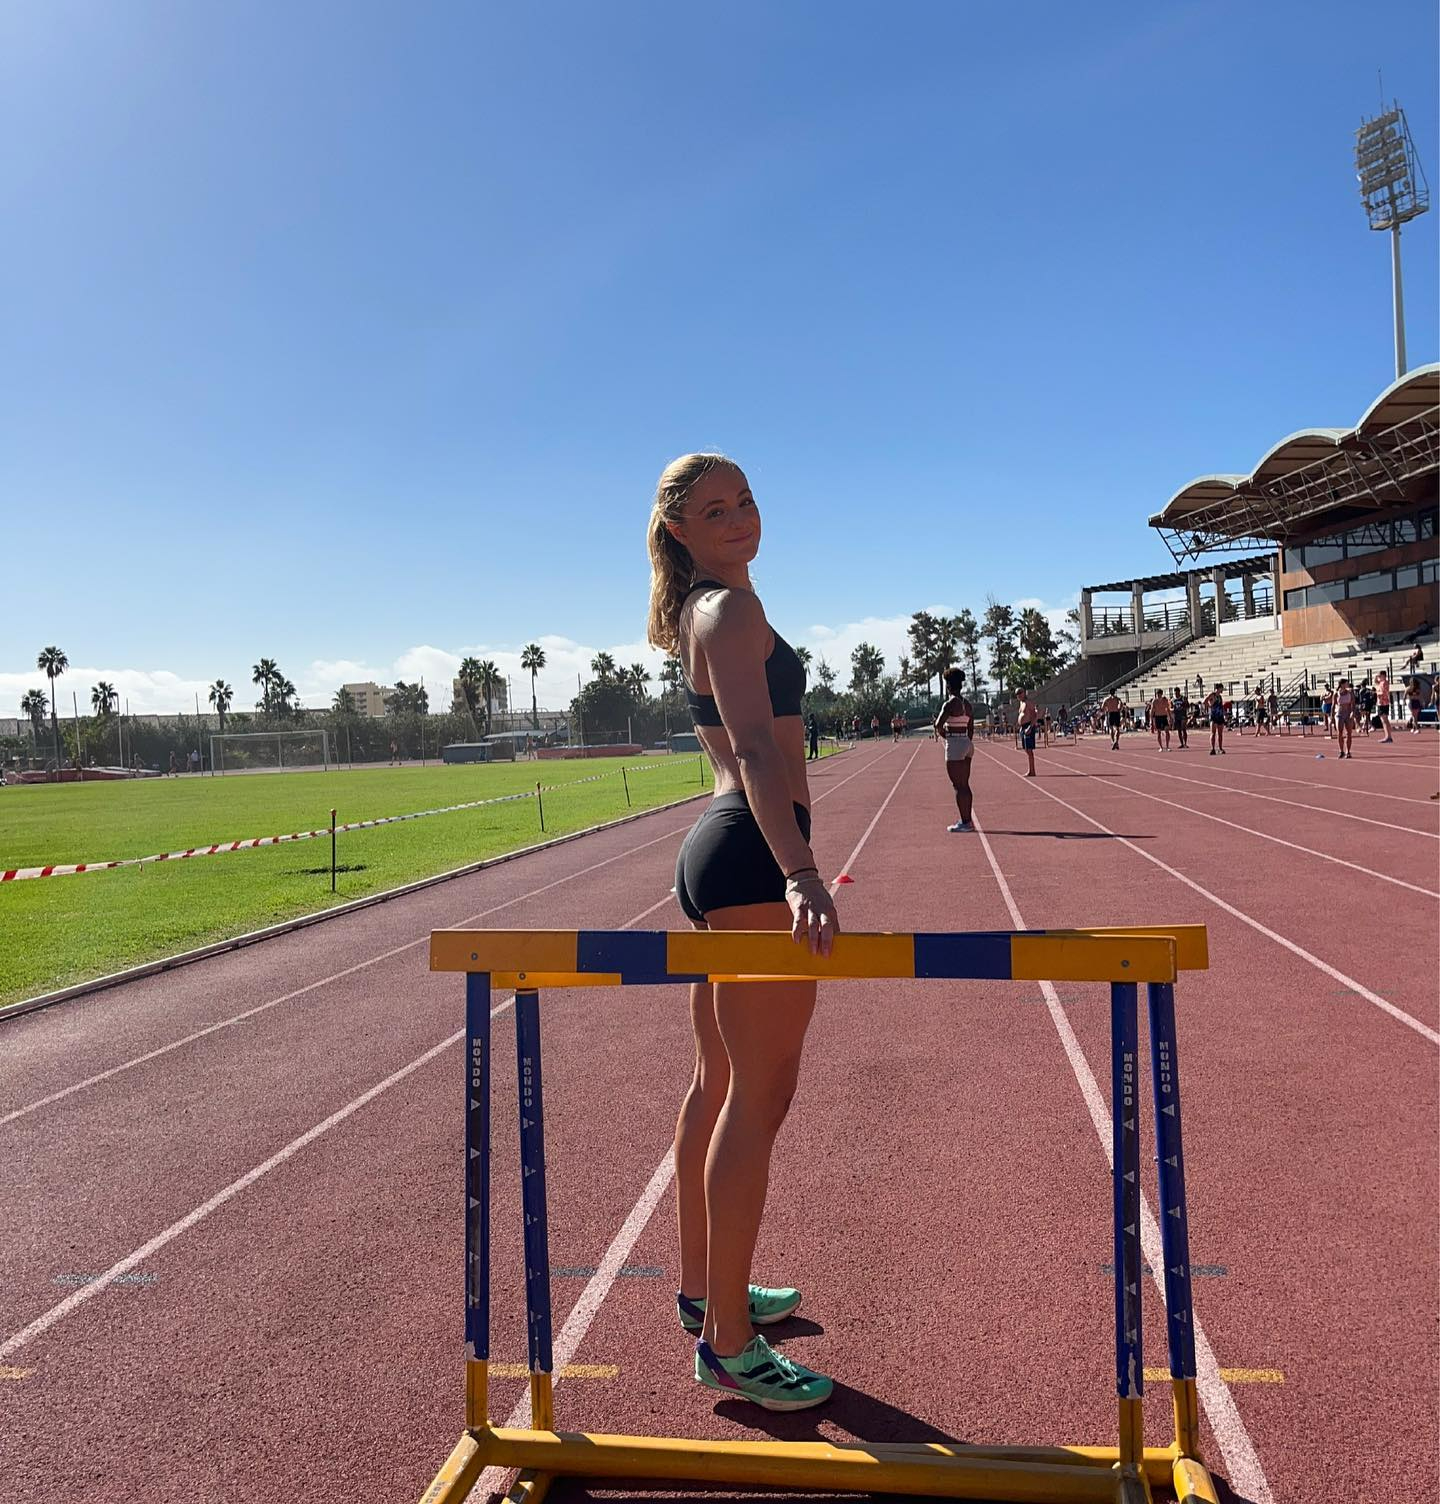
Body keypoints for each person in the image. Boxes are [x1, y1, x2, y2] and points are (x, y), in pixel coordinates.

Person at [648, 451, 836, 1411]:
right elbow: (759, 747)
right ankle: (726, 1339)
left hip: (718, 853)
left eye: (748, 500)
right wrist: (801, 870)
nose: (739, 518)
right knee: (756, 1098)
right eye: (715, 509)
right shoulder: (730, 611)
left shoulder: (701, 613)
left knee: (717, 1084)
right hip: (755, 862)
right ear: (680, 530)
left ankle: (703, 1293)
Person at [933, 667, 976, 832]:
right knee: (965, 784)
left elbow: (938, 725)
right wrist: (965, 741)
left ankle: (965, 822)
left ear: (948, 686)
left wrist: (948, 737)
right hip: (967, 744)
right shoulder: (968, 704)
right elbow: (971, 729)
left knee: (958, 785)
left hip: (956, 744)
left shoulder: (950, 703)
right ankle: (967, 820)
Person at [1015, 687, 1040, 776]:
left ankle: (1032, 771)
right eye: (1017, 694)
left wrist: (1030, 727)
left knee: (1029, 750)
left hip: (1028, 726)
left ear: (1024, 693)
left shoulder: (1028, 703)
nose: (1019, 695)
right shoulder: (1021, 703)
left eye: (1020, 693)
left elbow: (1035, 715)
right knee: (1026, 749)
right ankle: (1030, 770)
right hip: (1023, 727)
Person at [1334, 678, 1357, 758]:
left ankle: (1348, 751)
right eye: (1346, 683)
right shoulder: (1336, 693)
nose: (1347, 684)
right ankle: (1341, 751)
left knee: (1349, 733)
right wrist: (1331, 716)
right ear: (1342, 684)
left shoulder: (1350, 692)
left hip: (1348, 713)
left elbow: (1353, 704)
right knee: (1339, 733)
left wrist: (1353, 712)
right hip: (1339, 713)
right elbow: (1333, 705)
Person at [1204, 683, 1226, 755]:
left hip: (1220, 716)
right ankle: (1212, 748)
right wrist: (1210, 706)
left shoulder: (1220, 697)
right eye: (1222, 688)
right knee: (1213, 733)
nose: (1222, 690)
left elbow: (1221, 706)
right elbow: (1204, 701)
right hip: (1214, 716)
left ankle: (1220, 748)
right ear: (1219, 688)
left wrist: (1223, 713)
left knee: (1220, 734)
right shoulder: (1212, 694)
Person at [1376, 669, 1393, 742]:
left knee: (1384, 720)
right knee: (1385, 720)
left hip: (1383, 703)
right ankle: (1388, 736)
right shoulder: (1383, 682)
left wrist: (1375, 693)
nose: (1378, 677)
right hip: (1383, 702)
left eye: (1379, 676)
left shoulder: (1383, 683)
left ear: (1383, 675)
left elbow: (1383, 693)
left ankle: (1388, 736)